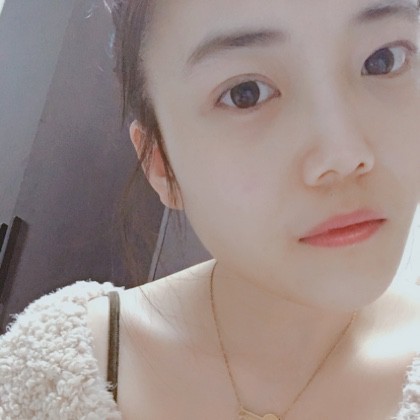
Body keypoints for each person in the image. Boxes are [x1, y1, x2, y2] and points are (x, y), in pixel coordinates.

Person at [1, 0, 420, 418]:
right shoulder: (44, 375)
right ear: (162, 166)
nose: (344, 156)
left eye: (383, 60)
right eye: (245, 94)